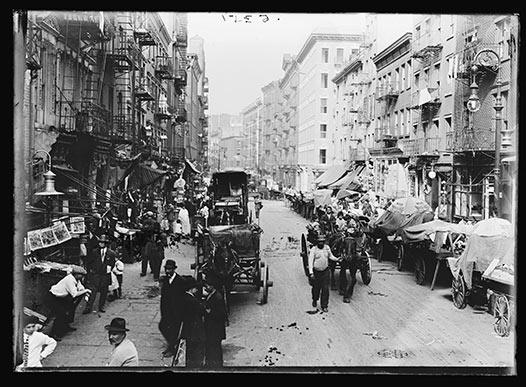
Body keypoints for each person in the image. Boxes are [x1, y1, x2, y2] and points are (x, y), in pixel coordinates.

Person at [46, 266, 91, 340]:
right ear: (76, 274)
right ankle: (54, 334)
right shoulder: (70, 280)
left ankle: (65, 327)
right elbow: (74, 294)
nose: (82, 276)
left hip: (63, 297)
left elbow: (80, 287)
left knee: (68, 311)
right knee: (61, 314)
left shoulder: (76, 279)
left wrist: (84, 290)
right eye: (81, 275)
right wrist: (86, 291)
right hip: (55, 297)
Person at [158, 260, 187, 357]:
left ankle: (171, 348)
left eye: (170, 269)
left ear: (174, 269)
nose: (167, 271)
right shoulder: (165, 280)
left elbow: (183, 297)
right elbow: (164, 296)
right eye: (166, 269)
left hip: (176, 311)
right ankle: (172, 344)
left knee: (174, 330)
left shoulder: (180, 281)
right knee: (162, 326)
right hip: (166, 310)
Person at [307, 234, 342, 313]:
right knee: (316, 289)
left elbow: (331, 256)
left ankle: (324, 305)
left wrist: (337, 259)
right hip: (316, 272)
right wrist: (311, 273)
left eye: (322, 242)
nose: (321, 243)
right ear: (317, 242)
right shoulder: (314, 249)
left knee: (325, 289)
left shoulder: (327, 248)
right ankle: (315, 299)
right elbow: (310, 261)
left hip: (325, 271)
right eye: (319, 242)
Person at [83, 234, 116, 314]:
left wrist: (108, 269)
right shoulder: (94, 252)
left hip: (105, 275)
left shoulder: (111, 253)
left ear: (106, 243)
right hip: (96, 275)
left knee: (104, 292)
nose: (100, 244)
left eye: (102, 242)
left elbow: (112, 263)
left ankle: (101, 306)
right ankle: (88, 307)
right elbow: (90, 262)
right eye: (100, 242)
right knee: (92, 292)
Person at [180, 276, 206, 368]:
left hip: (188, 328)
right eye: (195, 288)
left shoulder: (183, 297)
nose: (196, 289)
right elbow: (202, 311)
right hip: (195, 329)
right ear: (191, 289)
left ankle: (190, 366)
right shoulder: (192, 300)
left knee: (190, 350)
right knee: (197, 350)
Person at [203, 273, 227, 368]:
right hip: (213, 328)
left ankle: (216, 365)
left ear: (212, 286)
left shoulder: (217, 298)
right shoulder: (214, 295)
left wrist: (208, 312)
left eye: (208, 286)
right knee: (211, 346)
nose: (206, 287)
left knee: (214, 347)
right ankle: (210, 363)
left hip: (215, 329)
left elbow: (220, 314)